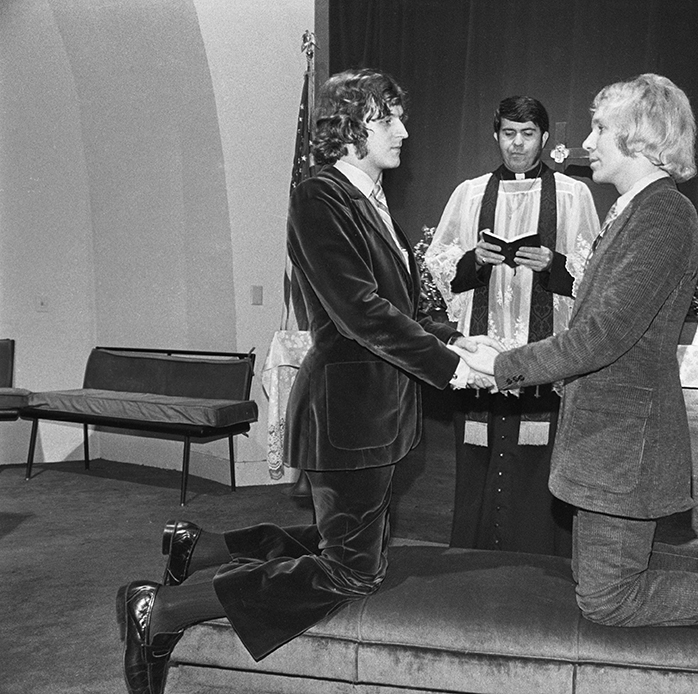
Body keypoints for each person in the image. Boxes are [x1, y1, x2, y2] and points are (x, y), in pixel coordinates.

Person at [458, 74, 698, 694]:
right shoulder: (638, 210)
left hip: (623, 438)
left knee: (607, 599)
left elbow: (605, 334)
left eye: (602, 129)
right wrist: (504, 347)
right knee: (606, 570)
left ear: (640, 139)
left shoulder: (663, 215)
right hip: (607, 430)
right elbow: (599, 327)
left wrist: (502, 366)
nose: (588, 142)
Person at [114, 68, 493, 694]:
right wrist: (451, 369)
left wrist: (458, 340)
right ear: (349, 129)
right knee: (352, 569)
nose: (403, 130)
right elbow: (360, 310)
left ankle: (202, 546)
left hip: (382, 408)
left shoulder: (371, 200)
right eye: (387, 118)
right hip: (348, 411)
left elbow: (406, 305)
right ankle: (160, 611)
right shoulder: (321, 196)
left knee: (336, 534)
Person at [425, 96, 598, 557]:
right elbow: (439, 266)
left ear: (543, 138)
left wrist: (554, 264)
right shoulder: (470, 193)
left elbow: (594, 272)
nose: (516, 144)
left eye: (526, 134)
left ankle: (542, 560)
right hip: (484, 357)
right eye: (507, 133)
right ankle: (472, 557)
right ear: (495, 136)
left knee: (538, 466)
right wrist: (473, 261)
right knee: (477, 462)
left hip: (543, 357)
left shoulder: (571, 195)